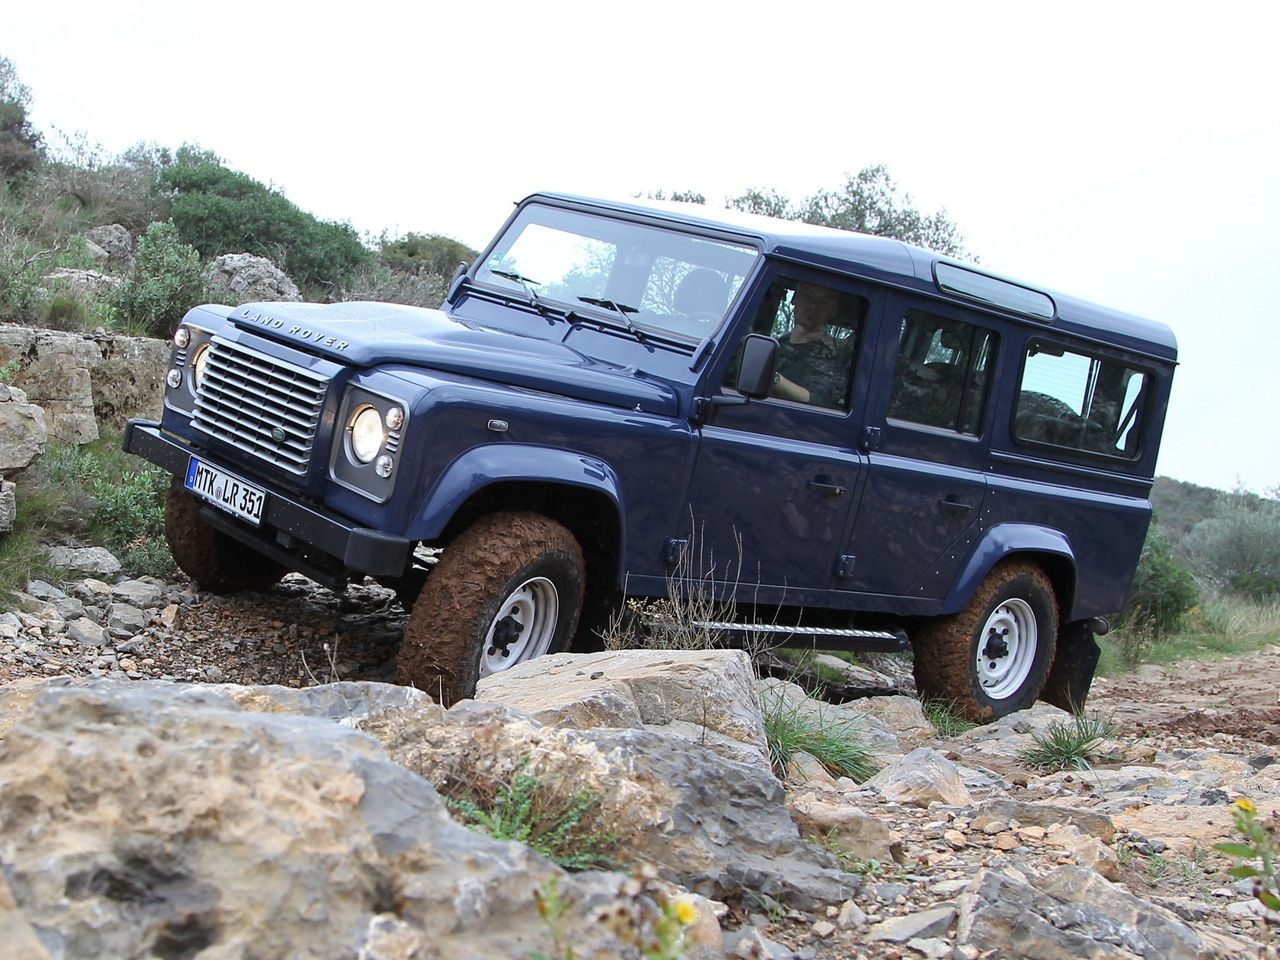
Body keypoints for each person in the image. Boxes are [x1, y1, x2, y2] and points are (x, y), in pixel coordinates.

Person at [771, 284, 852, 407]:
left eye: (823, 302)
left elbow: (819, 402)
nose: (813, 307)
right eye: (807, 296)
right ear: (794, 299)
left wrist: (773, 379)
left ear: (833, 310)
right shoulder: (778, 344)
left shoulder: (834, 355)